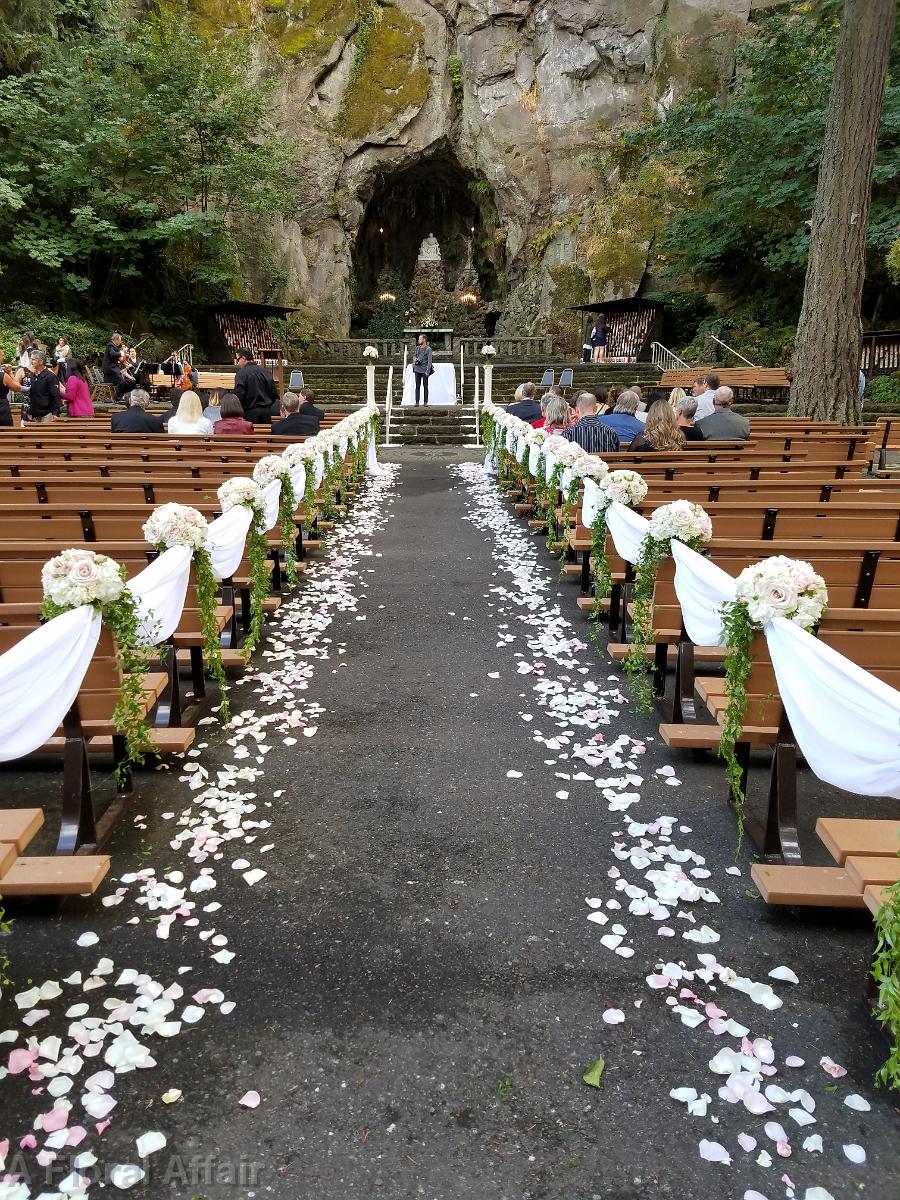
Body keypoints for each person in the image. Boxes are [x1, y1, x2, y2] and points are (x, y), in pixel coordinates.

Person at [233, 347, 279, 424]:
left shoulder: (241, 373)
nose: (238, 363)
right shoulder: (266, 372)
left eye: (238, 360)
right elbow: (274, 393)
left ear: (244, 358)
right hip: (266, 412)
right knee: (265, 434)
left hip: (249, 412)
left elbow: (239, 395)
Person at [24, 350, 62, 423]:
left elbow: (55, 395)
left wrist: (56, 413)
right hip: (35, 415)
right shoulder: (33, 376)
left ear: (41, 361)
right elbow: (32, 395)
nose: (31, 362)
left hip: (48, 414)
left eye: (33, 359)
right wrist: (31, 412)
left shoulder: (51, 376)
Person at [102, 332, 132, 401]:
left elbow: (119, 356)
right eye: (120, 340)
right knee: (122, 382)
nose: (120, 342)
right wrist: (122, 352)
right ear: (116, 339)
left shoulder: (113, 346)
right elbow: (113, 354)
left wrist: (125, 355)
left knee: (127, 382)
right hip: (110, 370)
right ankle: (117, 397)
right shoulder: (110, 345)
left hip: (113, 370)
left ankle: (121, 396)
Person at [0, 352, 23, 427]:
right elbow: (18, 387)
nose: (3, 357)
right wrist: (10, 372)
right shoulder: (3, 376)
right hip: (2, 412)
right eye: (2, 355)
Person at [412, 333, 432, 407]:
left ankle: (425, 402)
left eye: (420, 339)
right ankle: (417, 402)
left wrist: (427, 371)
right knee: (417, 386)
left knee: (425, 386)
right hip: (417, 369)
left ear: (424, 340)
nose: (418, 340)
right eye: (419, 339)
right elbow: (414, 356)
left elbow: (430, 361)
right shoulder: (417, 348)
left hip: (424, 370)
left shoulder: (428, 349)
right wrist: (414, 363)